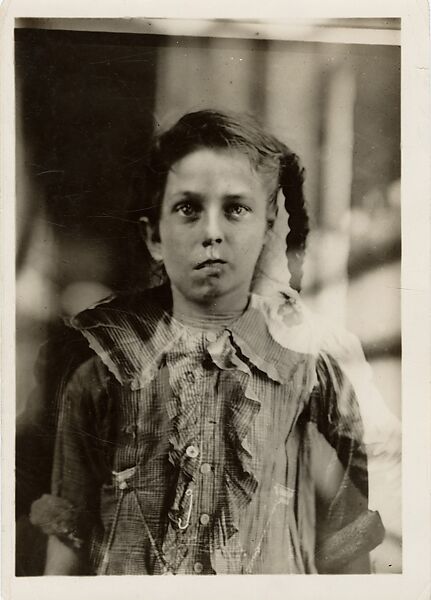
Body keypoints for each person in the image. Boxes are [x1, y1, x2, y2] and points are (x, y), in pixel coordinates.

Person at [29, 109, 391, 575]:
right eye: (188, 209)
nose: (212, 233)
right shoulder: (103, 370)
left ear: (265, 231)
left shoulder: (309, 374)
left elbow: (348, 551)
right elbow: (66, 553)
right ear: (155, 236)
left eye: (236, 209)